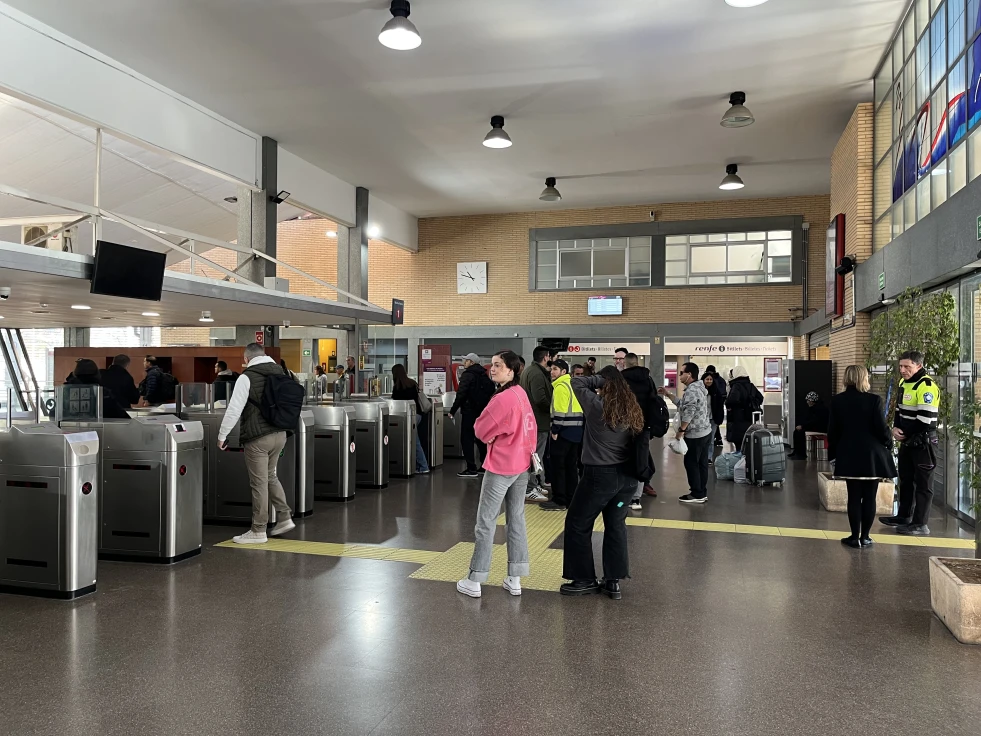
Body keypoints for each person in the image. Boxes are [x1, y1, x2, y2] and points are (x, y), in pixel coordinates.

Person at [561, 366, 645, 600]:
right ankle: (613, 582)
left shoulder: (599, 407)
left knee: (578, 522)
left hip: (599, 477)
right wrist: (614, 381)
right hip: (627, 481)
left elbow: (576, 383)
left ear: (604, 385)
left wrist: (601, 379)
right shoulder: (632, 408)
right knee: (616, 525)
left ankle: (584, 579)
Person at [457, 351, 535, 598]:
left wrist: (492, 435)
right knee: (516, 519)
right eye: (492, 365)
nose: (493, 369)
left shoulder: (501, 399)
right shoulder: (521, 394)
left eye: (499, 365)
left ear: (511, 371)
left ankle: (475, 578)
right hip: (522, 464)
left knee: (486, 522)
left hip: (501, 466)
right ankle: (515, 577)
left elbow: (480, 428)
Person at [217, 343, 295, 545]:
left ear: (246, 359)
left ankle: (258, 530)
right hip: (280, 433)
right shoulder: (282, 372)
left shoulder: (246, 377)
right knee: (270, 476)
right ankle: (285, 516)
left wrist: (222, 435)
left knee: (258, 482)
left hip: (258, 438)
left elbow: (234, 409)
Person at [828, 365, 897, 548]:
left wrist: (832, 455)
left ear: (846, 378)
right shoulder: (874, 400)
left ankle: (853, 537)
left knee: (853, 497)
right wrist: (888, 443)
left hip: (849, 454)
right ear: (864, 378)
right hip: (872, 457)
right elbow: (881, 427)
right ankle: (865, 537)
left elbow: (832, 432)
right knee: (870, 497)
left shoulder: (837, 401)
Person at [879, 350, 939, 536]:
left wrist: (903, 433)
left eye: (907, 366)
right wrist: (895, 428)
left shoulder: (926, 386)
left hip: (923, 442)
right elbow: (898, 409)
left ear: (918, 365)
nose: (902, 370)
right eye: (901, 366)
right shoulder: (904, 382)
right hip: (907, 440)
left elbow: (925, 419)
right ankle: (904, 516)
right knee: (905, 479)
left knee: (923, 484)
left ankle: (920, 523)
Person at [661, 362, 713, 504]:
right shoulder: (698, 388)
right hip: (705, 431)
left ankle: (696, 493)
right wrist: (668, 394)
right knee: (701, 463)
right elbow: (683, 405)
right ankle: (702, 491)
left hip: (695, 434)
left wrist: (681, 431)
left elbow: (689, 411)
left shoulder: (691, 390)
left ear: (689, 374)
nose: (679, 376)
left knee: (691, 463)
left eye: (681, 373)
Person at [541, 359, 583, 511]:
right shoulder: (573, 385)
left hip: (563, 432)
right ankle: (571, 498)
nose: (552, 372)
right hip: (576, 431)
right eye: (551, 369)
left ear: (563, 372)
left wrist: (555, 430)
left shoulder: (560, 387)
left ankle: (559, 500)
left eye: (555, 369)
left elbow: (560, 411)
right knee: (571, 467)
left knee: (558, 466)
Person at [621, 352, 658, 509]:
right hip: (644, 426)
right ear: (636, 362)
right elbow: (653, 399)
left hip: (625, 426)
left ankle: (624, 496)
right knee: (641, 459)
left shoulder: (622, 379)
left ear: (625, 363)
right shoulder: (648, 378)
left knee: (624, 459)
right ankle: (636, 499)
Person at [450, 353, 495, 478]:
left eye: (466, 361)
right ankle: (484, 466)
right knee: (481, 439)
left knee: (467, 439)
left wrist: (453, 410)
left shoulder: (468, 375)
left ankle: (471, 468)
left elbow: (461, 393)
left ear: (471, 362)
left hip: (469, 412)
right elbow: (492, 389)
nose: (464, 363)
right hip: (482, 412)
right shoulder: (484, 375)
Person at [519, 345, 553, 502]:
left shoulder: (529, 371)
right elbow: (540, 399)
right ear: (546, 357)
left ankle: (533, 484)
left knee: (533, 455)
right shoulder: (537, 374)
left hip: (531, 421)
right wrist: (552, 407)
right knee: (535, 456)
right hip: (538, 421)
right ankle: (529, 488)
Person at [391, 363, 430, 474]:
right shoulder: (412, 383)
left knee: (415, 441)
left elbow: (395, 403)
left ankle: (423, 466)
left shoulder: (397, 387)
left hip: (408, 417)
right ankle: (418, 465)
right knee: (414, 440)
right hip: (418, 415)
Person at [725, 365, 763, 451]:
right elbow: (760, 398)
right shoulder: (751, 385)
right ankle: (747, 460)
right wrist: (751, 404)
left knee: (739, 443)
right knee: (748, 441)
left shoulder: (736, 386)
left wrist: (732, 406)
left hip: (738, 417)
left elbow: (731, 400)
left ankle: (741, 461)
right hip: (750, 417)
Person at [789, 391, 830, 459]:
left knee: (800, 432)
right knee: (796, 431)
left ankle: (801, 454)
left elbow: (814, 421)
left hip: (820, 428)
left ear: (811, 401)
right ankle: (796, 452)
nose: (807, 402)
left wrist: (802, 426)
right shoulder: (814, 408)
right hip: (815, 427)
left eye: (808, 400)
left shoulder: (819, 409)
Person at [703, 372, 725, 465]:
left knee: (711, 439)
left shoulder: (716, 392)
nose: (709, 381)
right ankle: (702, 456)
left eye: (710, 379)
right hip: (701, 419)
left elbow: (720, 406)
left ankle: (708, 457)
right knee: (702, 439)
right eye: (707, 379)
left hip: (712, 419)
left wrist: (719, 419)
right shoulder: (700, 391)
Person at [704, 364, 727, 446]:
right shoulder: (721, 380)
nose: (709, 380)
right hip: (716, 410)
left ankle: (717, 438)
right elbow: (724, 393)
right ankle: (718, 438)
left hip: (710, 412)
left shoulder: (712, 382)